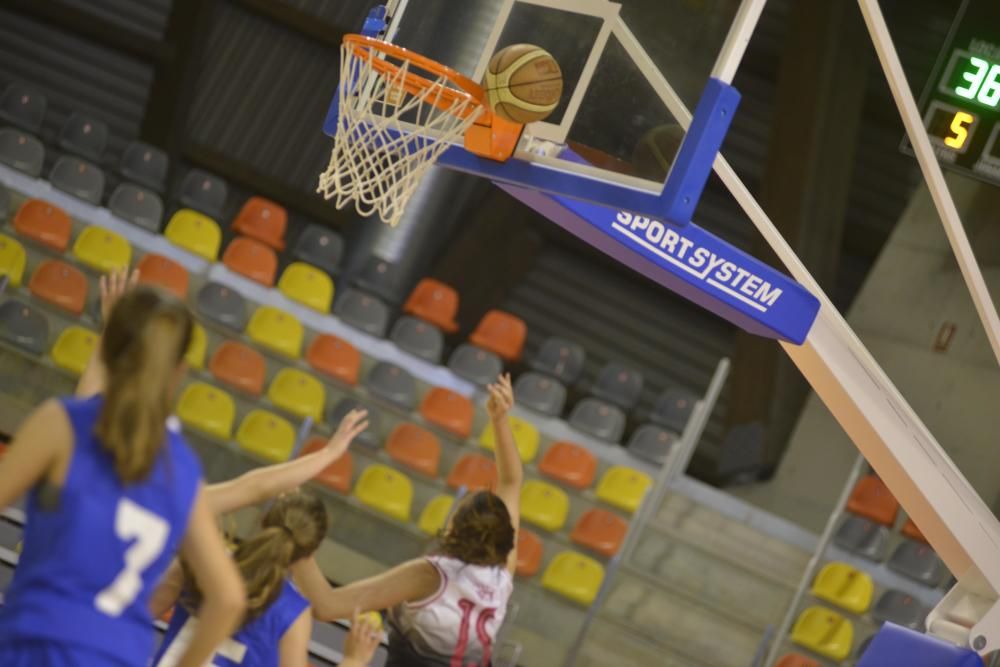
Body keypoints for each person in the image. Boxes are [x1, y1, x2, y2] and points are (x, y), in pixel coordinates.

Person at [0, 271, 246, 667]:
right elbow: (230, 597)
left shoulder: (63, 424)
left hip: (37, 645)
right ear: (180, 372)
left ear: (111, 348)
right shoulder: (182, 469)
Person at [291, 373, 522, 667]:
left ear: (453, 526)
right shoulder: (502, 575)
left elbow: (326, 605)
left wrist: (294, 532)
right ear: (505, 541)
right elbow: (513, 482)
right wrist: (500, 421)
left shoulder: (428, 576)